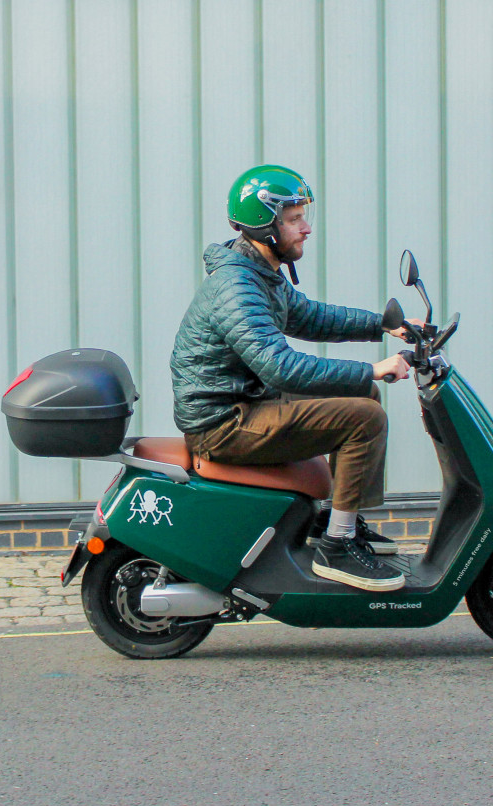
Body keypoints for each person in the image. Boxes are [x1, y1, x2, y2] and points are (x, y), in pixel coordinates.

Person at [170, 164, 421, 592]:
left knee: (364, 394)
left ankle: (343, 521)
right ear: (266, 228)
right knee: (366, 417)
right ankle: (337, 548)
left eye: (305, 215)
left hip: (245, 400)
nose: (306, 228)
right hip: (224, 422)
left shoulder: (258, 272)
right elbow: (279, 366)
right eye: (293, 219)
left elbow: (308, 316)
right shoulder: (237, 286)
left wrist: (381, 324)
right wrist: (372, 367)